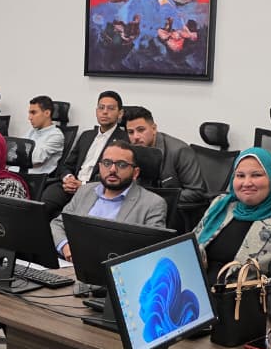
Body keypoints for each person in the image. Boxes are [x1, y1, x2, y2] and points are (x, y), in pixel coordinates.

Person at [193, 148, 271, 277]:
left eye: (256, 175)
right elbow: (192, 246)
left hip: (244, 290)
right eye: (240, 176)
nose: (246, 183)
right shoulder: (221, 204)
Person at [50, 141, 167, 262]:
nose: (112, 169)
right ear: (100, 166)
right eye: (107, 163)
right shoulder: (85, 191)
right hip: (71, 264)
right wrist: (65, 247)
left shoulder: (153, 204)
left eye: (121, 164)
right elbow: (57, 224)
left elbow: (153, 251)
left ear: (135, 173)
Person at [41, 90, 128, 218]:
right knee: (44, 205)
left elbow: (114, 175)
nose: (105, 112)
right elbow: (67, 165)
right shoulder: (86, 136)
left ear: (120, 113)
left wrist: (82, 185)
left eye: (110, 108)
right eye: (101, 107)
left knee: (70, 216)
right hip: (70, 186)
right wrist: (69, 178)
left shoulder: (124, 141)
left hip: (95, 190)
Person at [121, 106, 208, 206]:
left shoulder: (179, 150)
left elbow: (197, 192)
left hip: (171, 209)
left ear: (154, 129)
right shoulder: (131, 149)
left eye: (141, 130)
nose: (135, 137)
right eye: (130, 132)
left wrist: (154, 199)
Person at [23, 95, 65, 175]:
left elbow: (36, 159)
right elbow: (13, 151)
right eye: (29, 113)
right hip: (13, 173)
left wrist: (19, 156)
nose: (29, 117)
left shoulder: (56, 135)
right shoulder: (31, 131)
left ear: (47, 113)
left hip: (31, 178)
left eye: (33, 113)